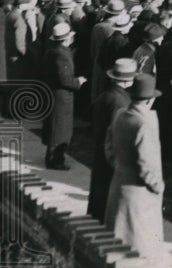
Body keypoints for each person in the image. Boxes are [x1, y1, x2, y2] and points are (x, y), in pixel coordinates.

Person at [104, 74, 165, 259]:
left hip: (119, 184)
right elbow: (148, 164)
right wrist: (158, 186)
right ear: (151, 99)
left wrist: (119, 165)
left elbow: (108, 146)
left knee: (116, 242)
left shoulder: (120, 114)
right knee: (138, 248)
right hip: (139, 194)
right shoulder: (145, 122)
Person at [88, 58, 136, 221]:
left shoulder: (106, 95)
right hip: (111, 155)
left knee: (98, 193)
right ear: (128, 80)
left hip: (100, 150)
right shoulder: (121, 102)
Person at [41, 22, 87, 169]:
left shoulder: (52, 51)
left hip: (53, 93)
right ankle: (55, 160)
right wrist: (78, 81)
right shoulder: (62, 55)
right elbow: (64, 79)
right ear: (67, 39)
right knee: (60, 129)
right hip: (61, 97)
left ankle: (53, 157)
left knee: (56, 126)